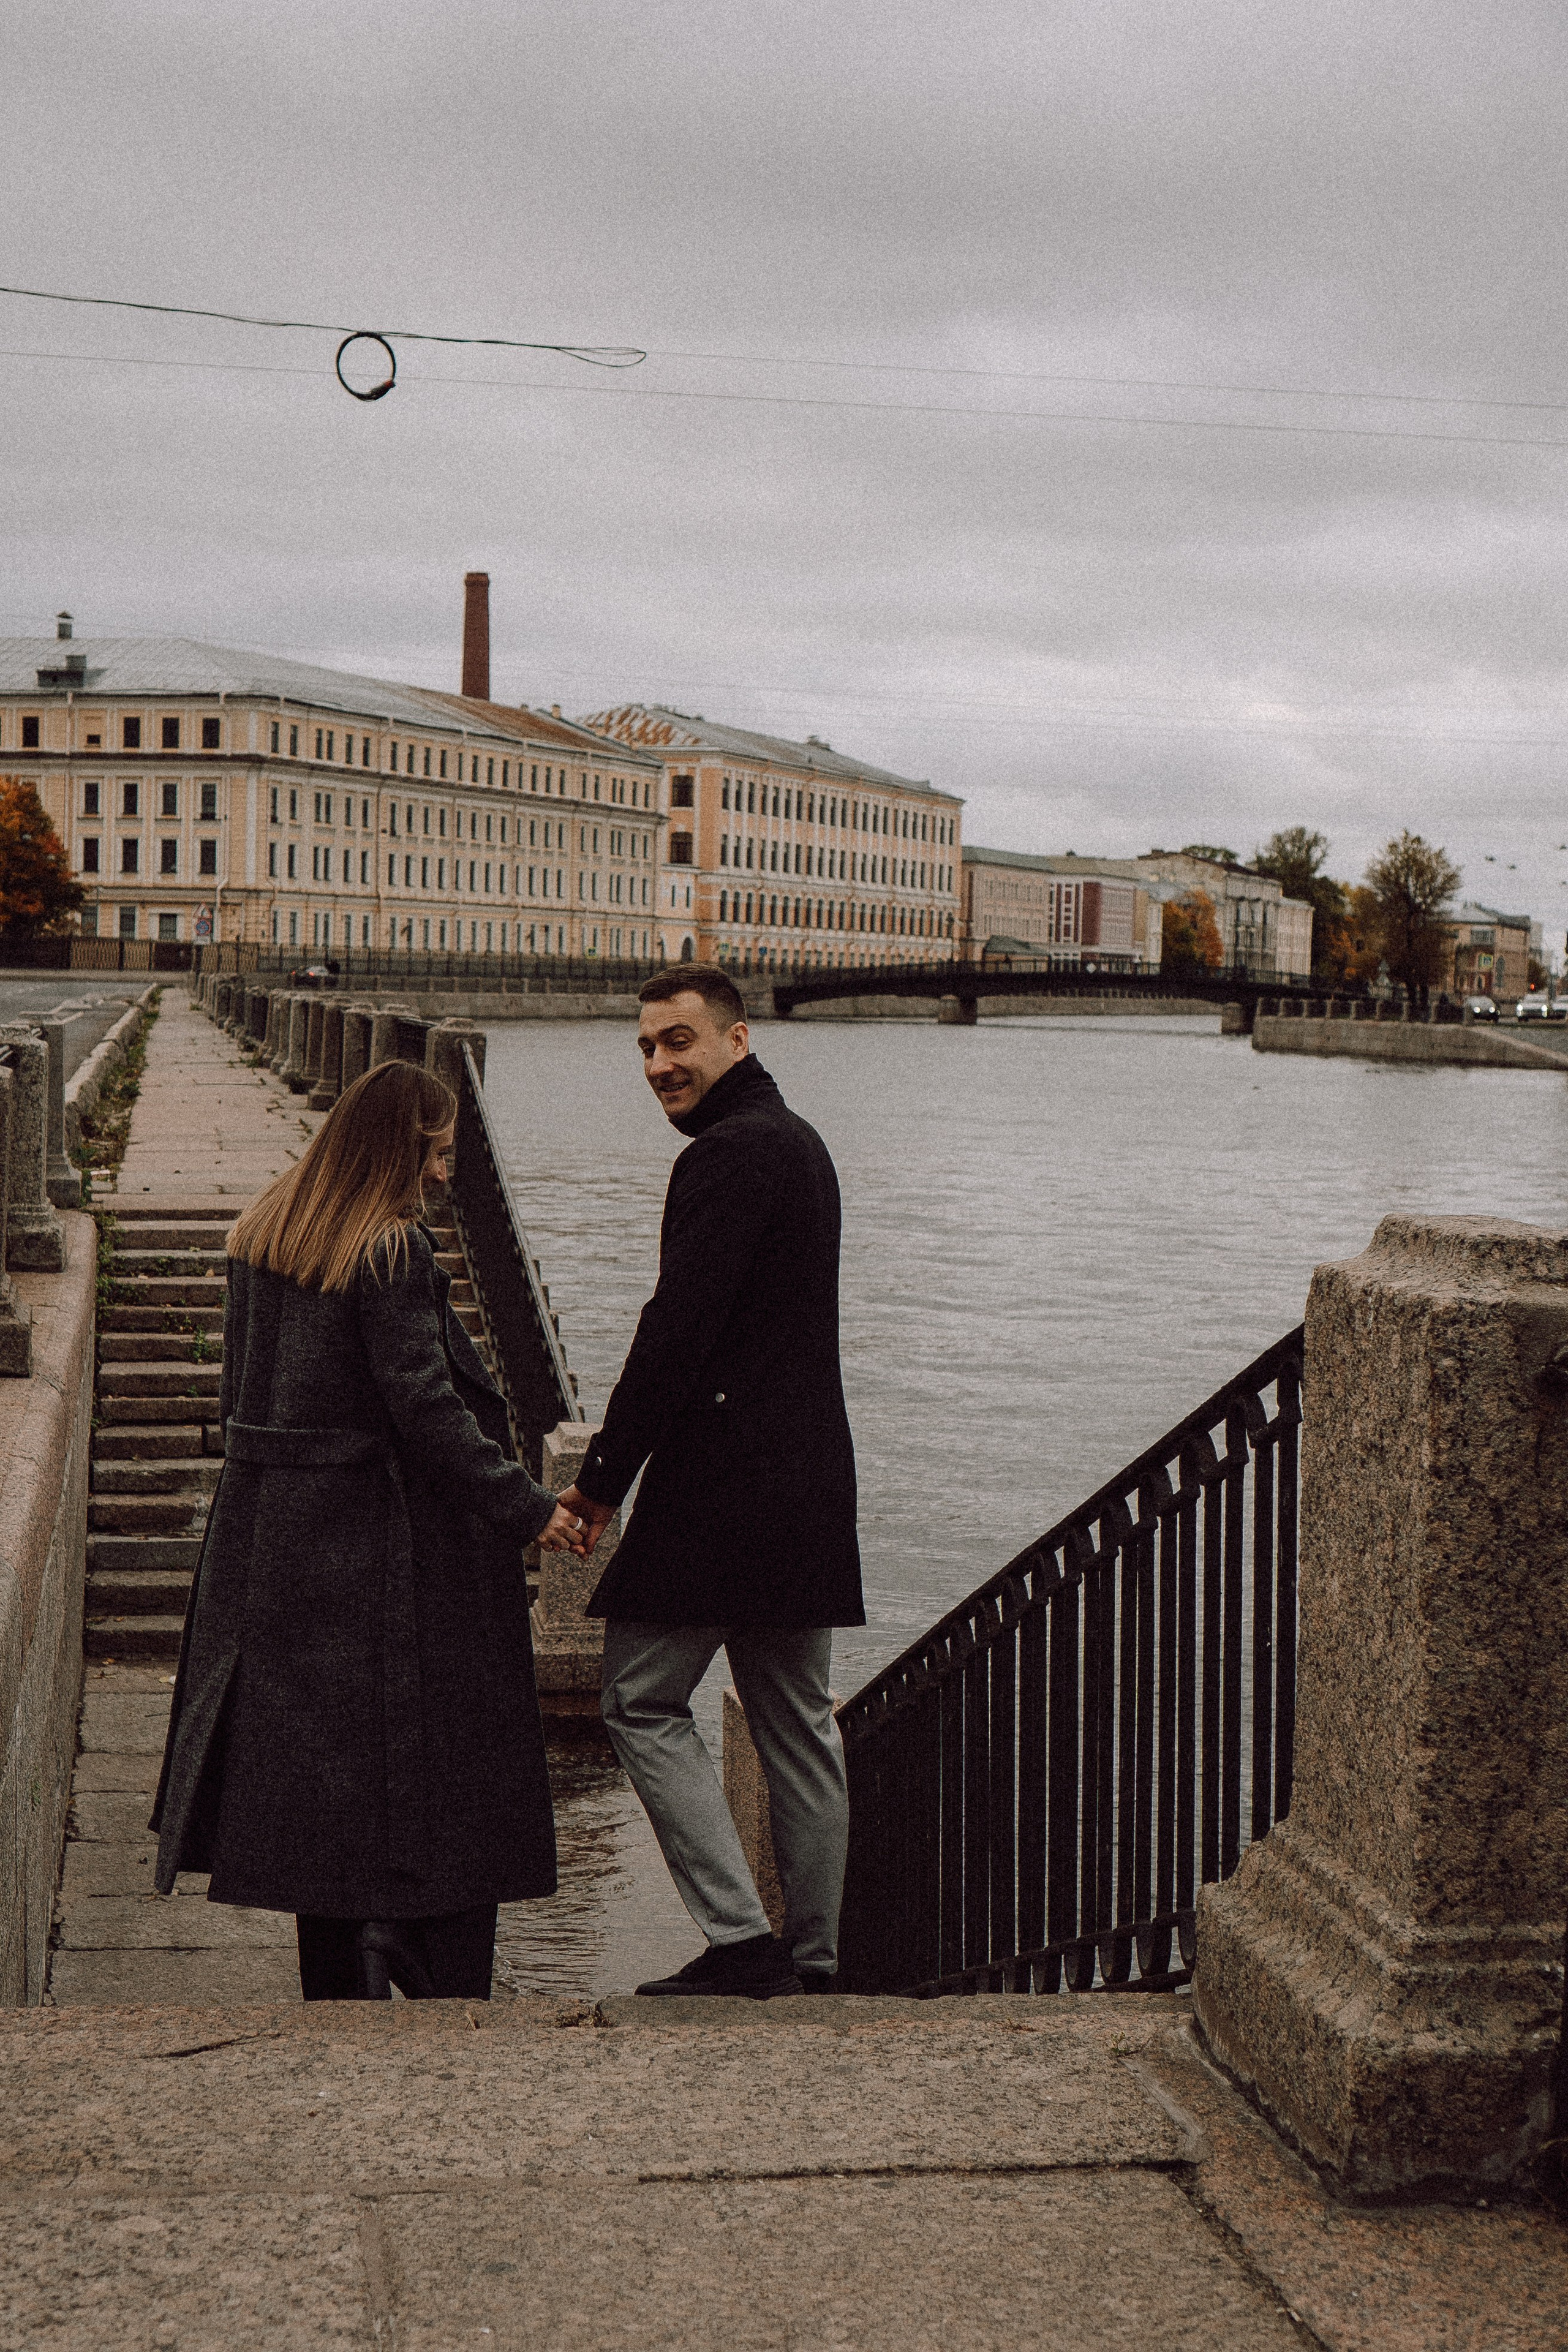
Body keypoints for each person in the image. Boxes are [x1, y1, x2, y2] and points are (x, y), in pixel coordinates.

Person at [150, 1059, 586, 2001]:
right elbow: (427, 1412)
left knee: (324, 1772)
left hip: (276, 1542)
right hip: (379, 1546)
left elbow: (243, 1394)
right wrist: (532, 1510)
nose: (442, 1175)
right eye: (436, 1154)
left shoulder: (266, 1234)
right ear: (398, 1148)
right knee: (429, 1754)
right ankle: (416, 1947)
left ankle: (347, 1966)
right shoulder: (390, 1253)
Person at [558, 965, 863, 1999]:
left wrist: (601, 1482)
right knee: (797, 1725)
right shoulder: (801, 1144)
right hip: (807, 1483)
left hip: (724, 1489)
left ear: (738, 1040)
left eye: (678, 1042)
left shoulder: (729, 1157)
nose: (658, 1064)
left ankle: (740, 1942)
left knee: (641, 1702)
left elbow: (675, 1335)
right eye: (646, 1046)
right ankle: (816, 1961)